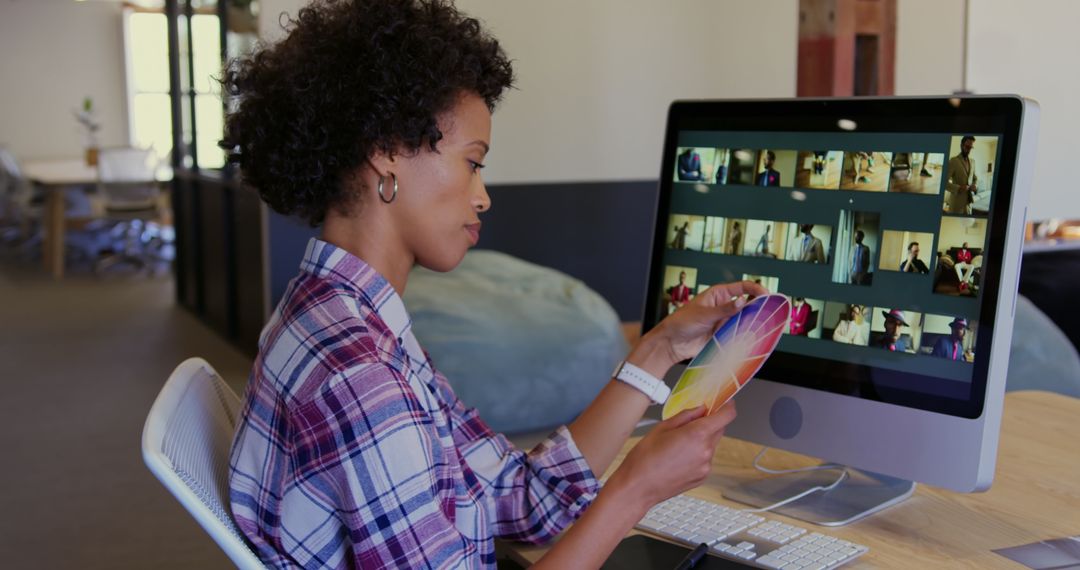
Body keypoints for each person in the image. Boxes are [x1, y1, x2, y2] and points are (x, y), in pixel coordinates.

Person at [222, 2, 767, 567]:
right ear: (385, 155)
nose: (482, 196)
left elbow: (520, 498)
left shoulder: (336, 314)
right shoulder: (361, 376)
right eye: (472, 162)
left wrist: (658, 349)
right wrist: (635, 491)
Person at [945, 136, 977, 214]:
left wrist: (975, 185)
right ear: (961, 145)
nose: (969, 150)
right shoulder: (953, 161)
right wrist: (959, 188)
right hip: (956, 205)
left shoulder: (973, 162)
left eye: (971, 147)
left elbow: (975, 178)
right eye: (967, 146)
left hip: (969, 204)